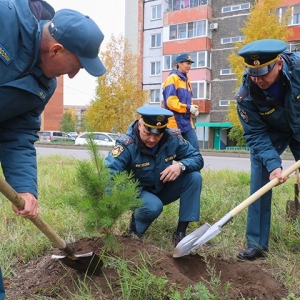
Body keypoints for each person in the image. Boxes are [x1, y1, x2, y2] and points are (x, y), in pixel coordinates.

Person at [0, 0, 106, 295]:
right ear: (56, 50)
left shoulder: (43, 87)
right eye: (76, 66)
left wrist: (25, 188)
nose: (72, 76)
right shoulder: (4, 20)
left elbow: (18, 133)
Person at [235, 39, 300, 261]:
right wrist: (273, 164)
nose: (257, 79)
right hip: (271, 133)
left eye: (263, 73)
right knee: (261, 181)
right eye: (252, 73)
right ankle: (256, 244)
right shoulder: (246, 96)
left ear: (279, 64)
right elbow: (254, 134)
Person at [105, 106, 204, 246]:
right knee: (153, 206)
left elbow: (197, 158)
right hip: (136, 191)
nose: (152, 139)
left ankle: (180, 234)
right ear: (140, 125)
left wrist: (181, 166)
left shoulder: (172, 138)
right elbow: (110, 172)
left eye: (157, 135)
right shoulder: (127, 145)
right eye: (147, 133)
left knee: (194, 177)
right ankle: (135, 230)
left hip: (162, 186)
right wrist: (107, 214)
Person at [162, 53, 200, 150]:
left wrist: (193, 109)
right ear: (179, 64)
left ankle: (189, 165)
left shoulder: (187, 80)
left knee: (194, 150)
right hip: (174, 122)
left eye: (190, 64)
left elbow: (187, 100)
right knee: (170, 153)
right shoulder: (172, 78)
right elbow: (171, 102)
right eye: (187, 63)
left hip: (187, 122)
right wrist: (188, 108)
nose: (189, 66)